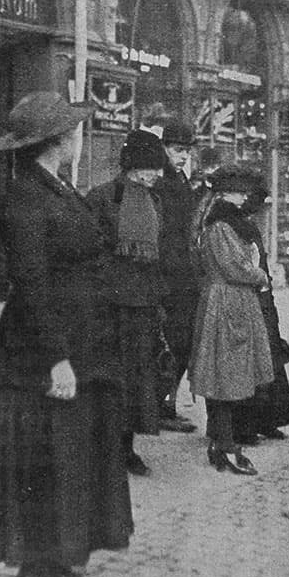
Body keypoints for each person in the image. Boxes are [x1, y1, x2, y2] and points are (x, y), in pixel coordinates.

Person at [0, 91, 131, 577]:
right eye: (74, 132)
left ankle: (51, 564)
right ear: (59, 140)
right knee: (50, 460)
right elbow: (31, 282)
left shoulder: (55, 187)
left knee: (61, 459)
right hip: (48, 351)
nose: (77, 139)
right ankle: (46, 568)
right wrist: (58, 359)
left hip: (79, 341)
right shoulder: (28, 195)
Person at [87, 129, 169, 476]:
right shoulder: (102, 197)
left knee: (137, 381)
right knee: (108, 379)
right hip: (110, 304)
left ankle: (126, 448)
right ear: (133, 166)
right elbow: (90, 251)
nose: (157, 175)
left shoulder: (155, 201)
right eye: (151, 168)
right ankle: (101, 449)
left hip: (143, 305)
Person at [190, 165, 275, 476]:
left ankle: (221, 442)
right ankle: (225, 445)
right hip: (228, 302)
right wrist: (261, 274)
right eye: (239, 193)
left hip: (228, 301)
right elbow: (236, 267)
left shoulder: (219, 222)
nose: (243, 198)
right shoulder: (222, 226)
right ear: (226, 194)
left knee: (224, 374)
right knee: (226, 376)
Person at [230, 183, 289, 446]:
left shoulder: (249, 226)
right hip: (248, 297)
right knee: (252, 361)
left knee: (270, 357)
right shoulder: (235, 227)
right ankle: (246, 425)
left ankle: (269, 419)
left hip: (262, 297)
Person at [152, 118, 200, 434]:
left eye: (187, 151)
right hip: (168, 276)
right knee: (171, 342)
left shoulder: (182, 180)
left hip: (185, 275)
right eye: (178, 150)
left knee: (183, 342)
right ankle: (159, 406)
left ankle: (166, 403)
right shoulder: (160, 183)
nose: (183, 156)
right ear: (164, 149)